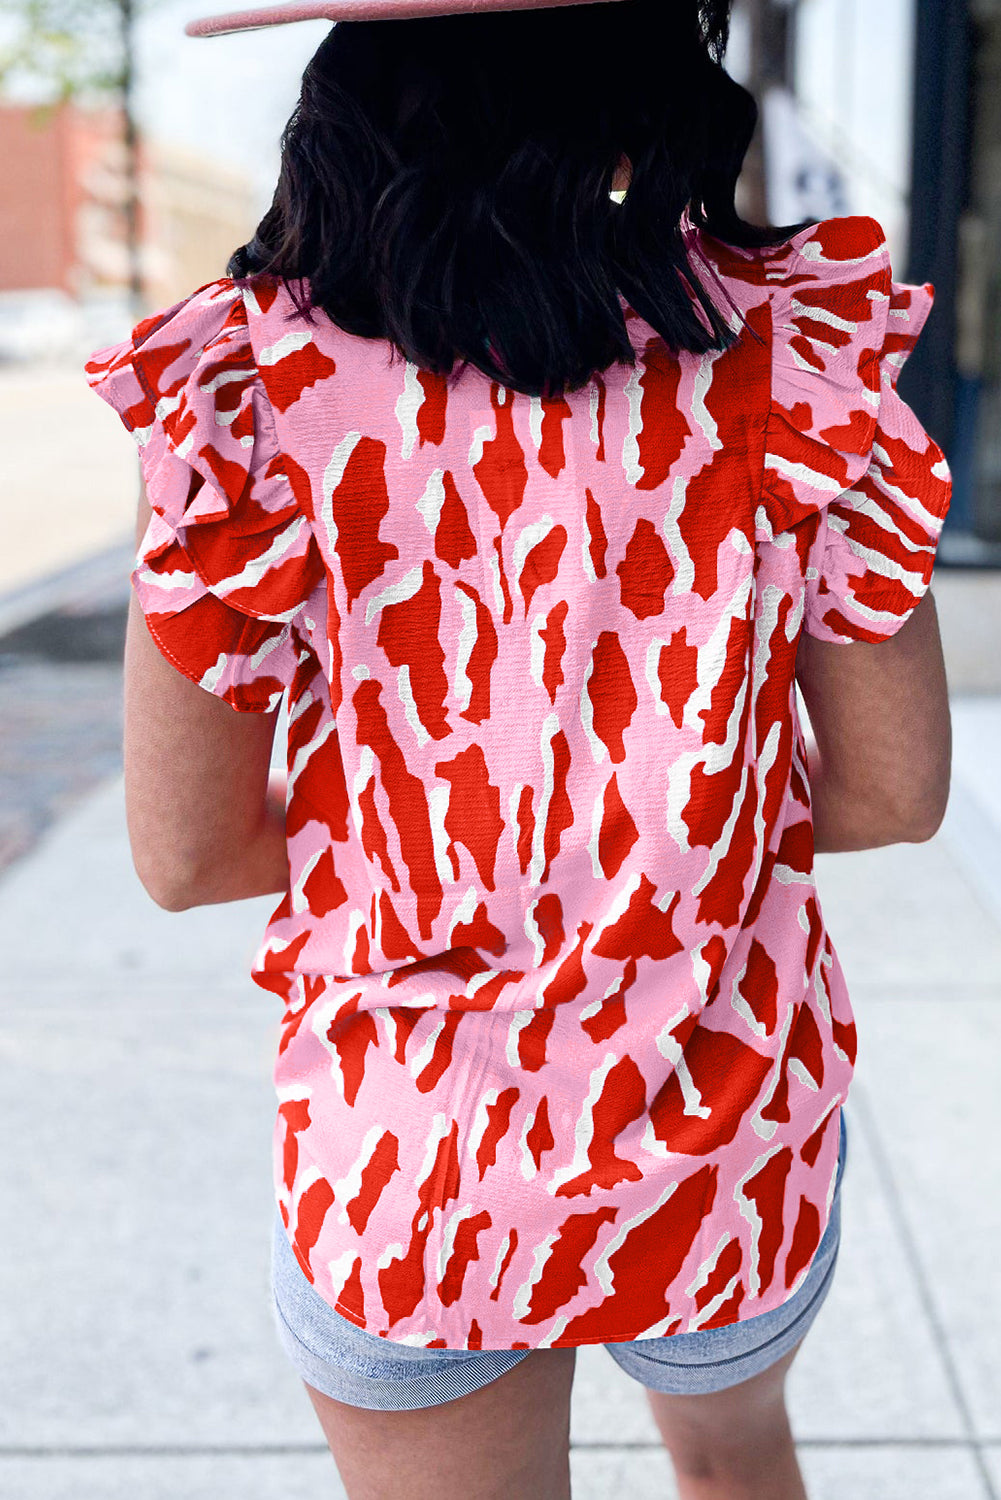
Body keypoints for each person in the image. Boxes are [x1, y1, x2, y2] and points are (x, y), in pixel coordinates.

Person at [84, 1, 953, 1496]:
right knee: (738, 1467)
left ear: (345, 108)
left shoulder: (251, 399)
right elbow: (892, 791)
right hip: (721, 1131)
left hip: (415, 1164)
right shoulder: (793, 368)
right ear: (645, 109)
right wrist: (662, 830)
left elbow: (189, 855)